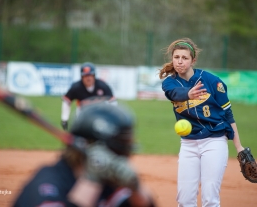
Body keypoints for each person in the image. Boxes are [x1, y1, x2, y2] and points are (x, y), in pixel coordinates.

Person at [13, 100, 156, 207]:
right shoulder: (46, 185)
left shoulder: (109, 183)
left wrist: (135, 187)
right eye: (120, 152)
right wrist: (92, 179)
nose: (125, 159)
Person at [158, 37, 245, 207]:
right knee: (184, 200)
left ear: (193, 60)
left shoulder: (212, 81)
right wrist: (188, 94)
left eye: (184, 58)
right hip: (188, 144)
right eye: (176, 57)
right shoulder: (169, 83)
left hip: (214, 141)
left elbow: (228, 114)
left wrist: (239, 146)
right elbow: (174, 93)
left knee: (210, 198)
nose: (180, 61)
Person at [61, 62, 115, 130]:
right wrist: (64, 119)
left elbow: (112, 101)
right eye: (85, 76)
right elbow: (67, 101)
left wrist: (112, 118)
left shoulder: (102, 86)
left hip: (99, 114)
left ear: (94, 75)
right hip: (82, 114)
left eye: (90, 75)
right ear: (81, 77)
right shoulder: (76, 87)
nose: (88, 78)